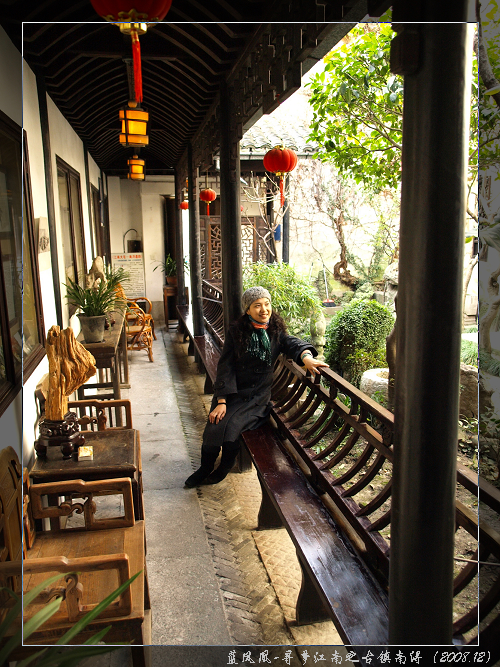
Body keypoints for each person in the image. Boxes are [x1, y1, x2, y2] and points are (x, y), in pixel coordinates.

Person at [184, 286, 328, 488]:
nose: (264, 309)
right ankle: (205, 468)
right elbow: (226, 366)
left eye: (267, 304)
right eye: (257, 305)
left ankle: (223, 468)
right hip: (231, 392)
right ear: (248, 310)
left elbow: (293, 344)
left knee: (232, 430)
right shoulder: (237, 331)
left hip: (256, 397)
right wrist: (222, 401)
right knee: (214, 428)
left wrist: (307, 358)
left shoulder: (276, 331)